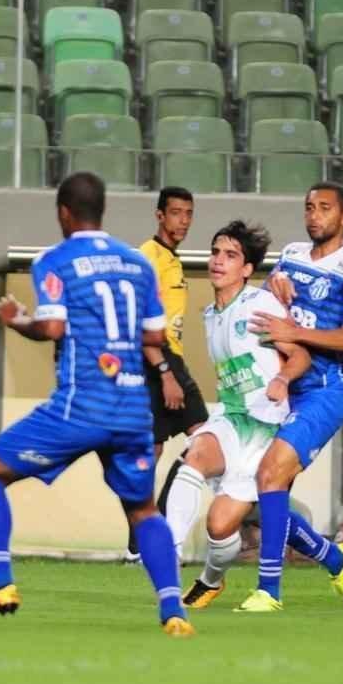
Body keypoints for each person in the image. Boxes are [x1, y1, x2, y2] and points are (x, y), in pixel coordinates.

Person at [0, 172, 192, 637]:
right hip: (132, 408)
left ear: (63, 212)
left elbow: (53, 328)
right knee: (143, 510)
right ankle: (174, 612)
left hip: (81, 404)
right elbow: (156, 335)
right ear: (102, 210)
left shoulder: (54, 260)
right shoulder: (138, 264)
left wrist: (18, 319)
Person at [159, 220, 343, 610]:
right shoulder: (209, 315)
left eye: (230, 255)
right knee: (193, 458)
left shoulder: (259, 305)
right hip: (231, 418)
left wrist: (282, 379)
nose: (218, 261)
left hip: (264, 426)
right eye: (216, 252)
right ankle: (170, 557)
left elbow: (300, 355)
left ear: (247, 269)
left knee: (223, 525)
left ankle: (330, 558)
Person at [236, 181, 343, 612]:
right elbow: (267, 309)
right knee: (261, 497)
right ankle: (336, 558)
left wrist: (295, 332)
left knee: (269, 476)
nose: (315, 215)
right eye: (309, 207)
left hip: (323, 391)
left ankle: (269, 592)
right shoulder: (292, 255)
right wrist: (272, 287)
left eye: (325, 208)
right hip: (281, 388)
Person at [123, 187, 209, 561]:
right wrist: (165, 372)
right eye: (176, 213)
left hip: (167, 359)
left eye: (189, 213)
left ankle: (138, 543)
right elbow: (137, 322)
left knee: (154, 451)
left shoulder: (172, 259)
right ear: (160, 215)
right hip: (158, 359)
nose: (183, 221)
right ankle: (147, 534)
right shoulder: (148, 256)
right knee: (206, 439)